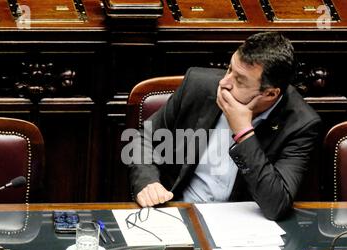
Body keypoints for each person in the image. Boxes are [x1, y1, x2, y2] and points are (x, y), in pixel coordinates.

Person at [127, 32, 321, 221]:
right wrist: (148, 182)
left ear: (270, 94)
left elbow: (276, 205)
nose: (224, 82)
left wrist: (244, 134)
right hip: (180, 213)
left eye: (239, 80)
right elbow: (143, 137)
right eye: (230, 69)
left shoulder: (300, 124)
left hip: (243, 229)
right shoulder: (199, 85)